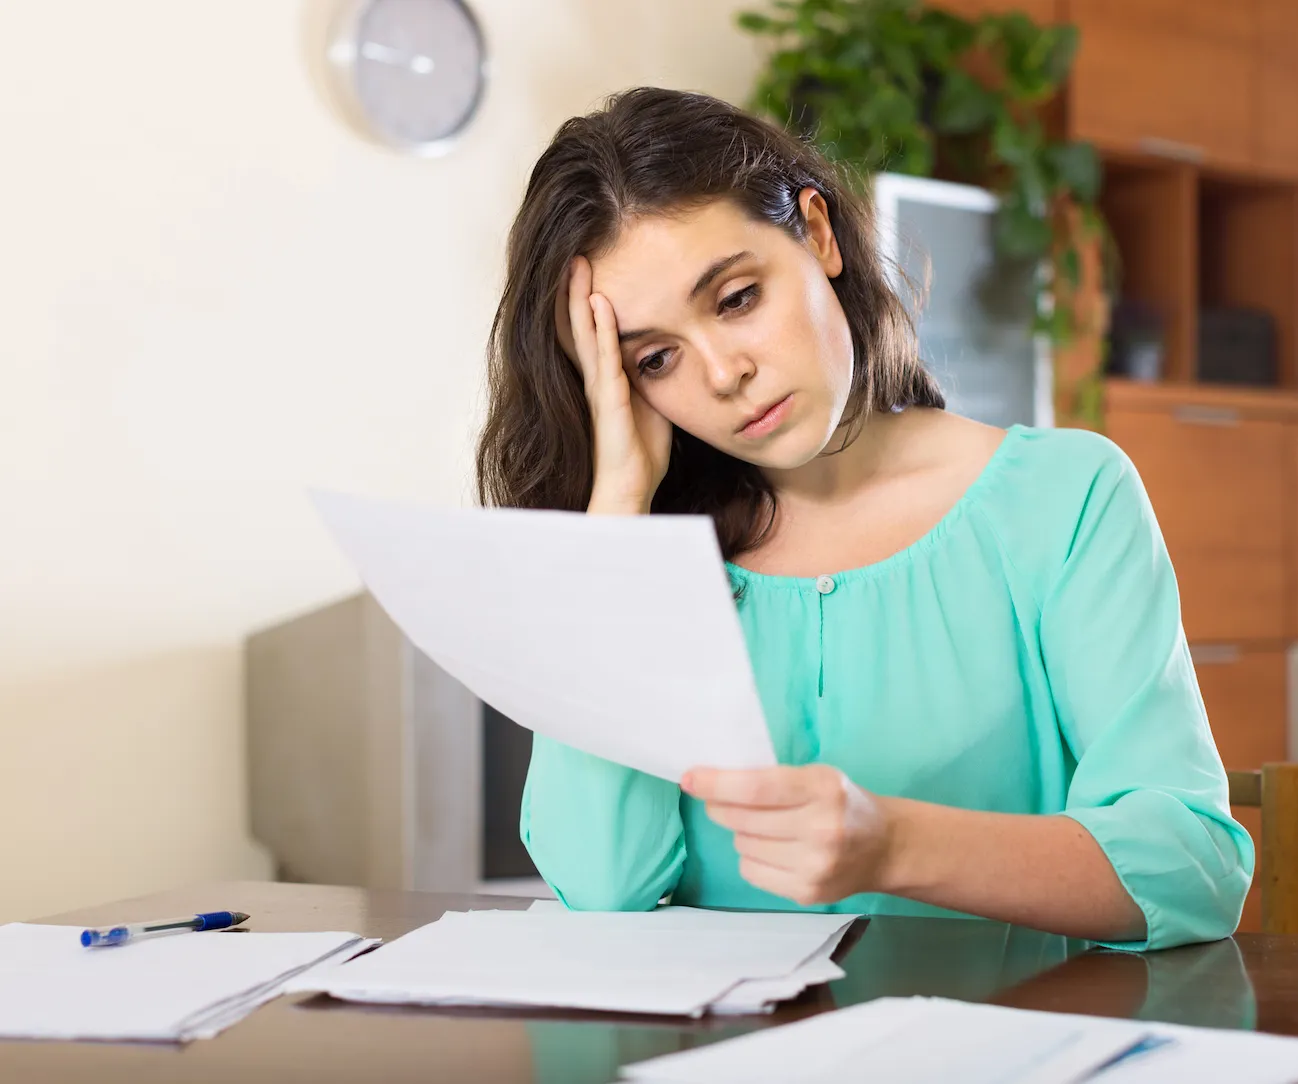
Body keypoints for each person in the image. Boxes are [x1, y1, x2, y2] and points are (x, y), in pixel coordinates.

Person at [475, 87, 1252, 950]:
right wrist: (618, 511)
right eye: (656, 358)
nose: (725, 373)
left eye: (736, 299)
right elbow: (599, 885)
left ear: (817, 233)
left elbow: (1192, 867)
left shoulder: (1065, 498)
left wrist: (894, 847)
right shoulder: (653, 565)